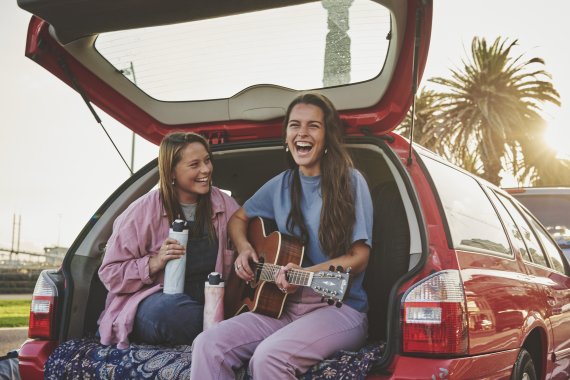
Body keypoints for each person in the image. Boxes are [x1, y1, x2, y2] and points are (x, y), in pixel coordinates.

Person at [191, 93, 373, 378]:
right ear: (286, 136)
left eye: (313, 125)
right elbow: (239, 219)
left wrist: (306, 273)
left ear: (327, 136)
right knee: (207, 344)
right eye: (294, 125)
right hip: (282, 307)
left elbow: (360, 257)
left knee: (269, 357)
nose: (302, 132)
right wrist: (243, 249)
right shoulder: (280, 185)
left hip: (339, 309)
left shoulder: (350, 181)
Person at [97, 132, 239, 349]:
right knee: (171, 312)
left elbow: (251, 239)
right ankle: (223, 335)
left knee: (231, 316)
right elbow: (110, 274)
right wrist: (154, 262)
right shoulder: (141, 211)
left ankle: (219, 332)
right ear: (172, 171)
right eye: (194, 164)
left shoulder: (224, 205)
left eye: (207, 160)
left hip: (210, 301)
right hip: (156, 304)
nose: (206, 170)